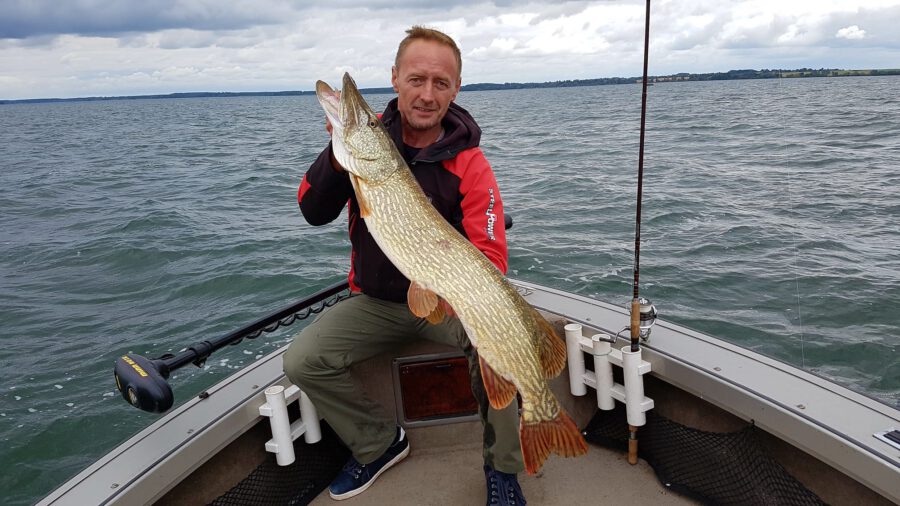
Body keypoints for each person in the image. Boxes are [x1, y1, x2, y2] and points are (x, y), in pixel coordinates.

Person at [283, 26, 526, 505]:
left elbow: (491, 255)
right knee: (303, 361)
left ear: (456, 89)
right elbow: (312, 210)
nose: (427, 94)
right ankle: (379, 442)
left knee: (495, 347)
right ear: (395, 78)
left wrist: (460, 298)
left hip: (446, 303)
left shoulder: (470, 162)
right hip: (374, 302)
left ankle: (503, 468)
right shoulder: (366, 141)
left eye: (441, 83)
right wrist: (337, 157)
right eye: (416, 79)